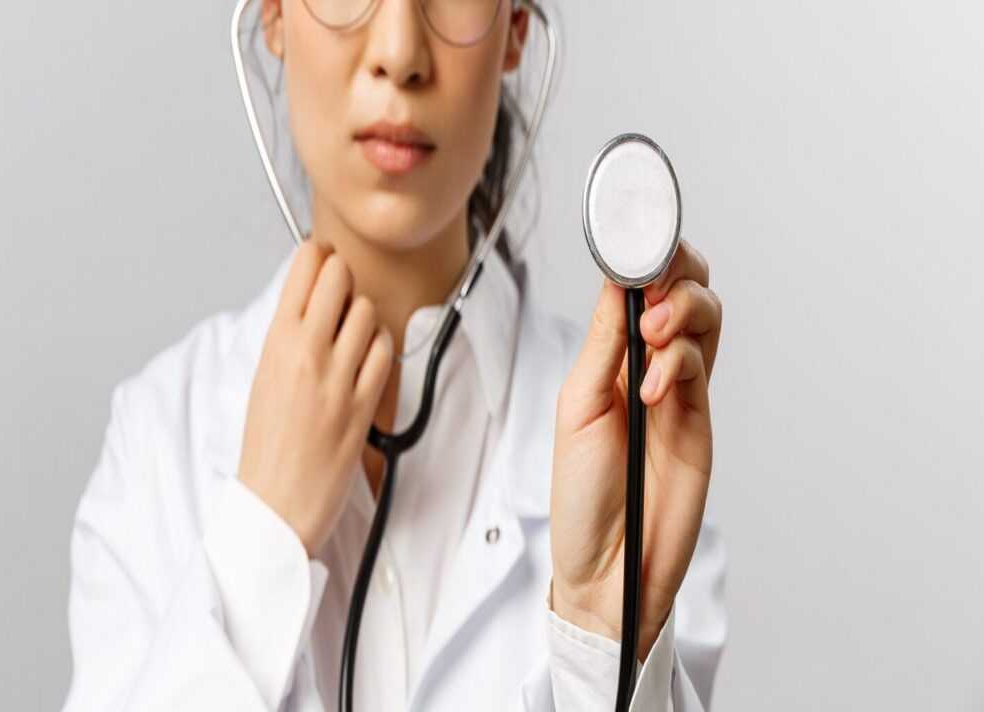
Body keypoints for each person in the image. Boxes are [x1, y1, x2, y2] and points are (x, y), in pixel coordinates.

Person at [62, 0, 727, 710]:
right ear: (274, 15)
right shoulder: (158, 440)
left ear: (515, 31)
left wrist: (603, 631)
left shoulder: (636, 453)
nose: (400, 52)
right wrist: (264, 535)